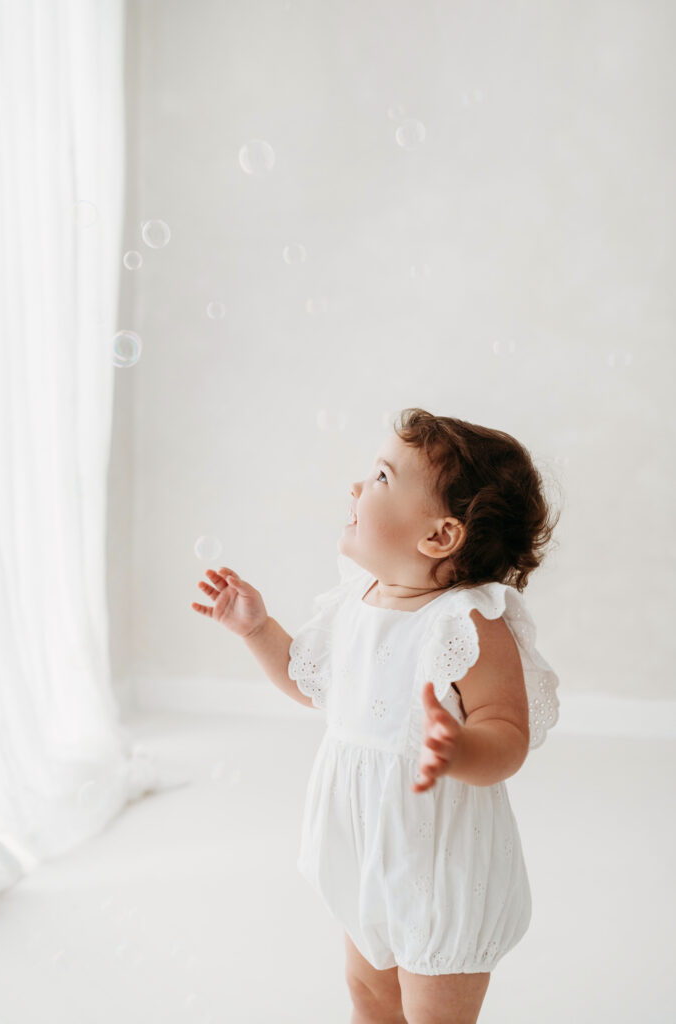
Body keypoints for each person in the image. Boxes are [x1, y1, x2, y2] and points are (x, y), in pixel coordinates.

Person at [191, 407, 561, 1024]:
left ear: (440, 536)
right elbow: (312, 683)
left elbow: (507, 732)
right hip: (363, 852)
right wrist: (258, 630)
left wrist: (461, 749)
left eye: (383, 477)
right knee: (367, 995)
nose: (357, 488)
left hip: (440, 862)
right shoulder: (355, 600)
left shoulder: (466, 621)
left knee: (433, 1011)